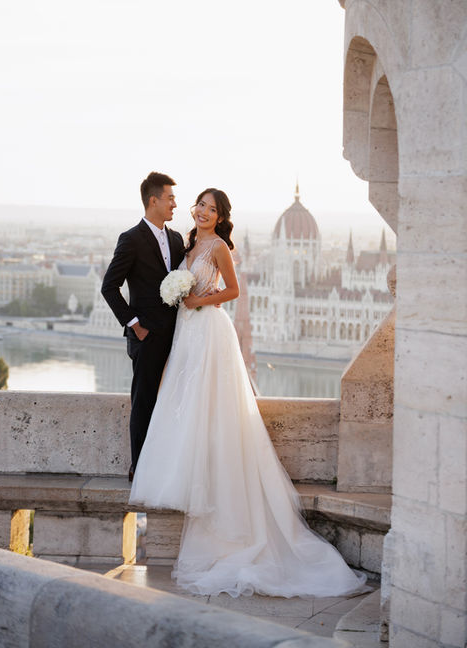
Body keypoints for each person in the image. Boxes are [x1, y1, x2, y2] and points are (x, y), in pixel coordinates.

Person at [129, 188, 367, 598]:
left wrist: (199, 299)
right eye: (200, 206)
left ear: (221, 216)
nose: (203, 212)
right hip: (189, 331)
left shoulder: (219, 247)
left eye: (212, 209)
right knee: (185, 400)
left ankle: (220, 496)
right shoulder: (186, 243)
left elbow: (234, 290)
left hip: (208, 326)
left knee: (212, 403)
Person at [101, 172, 185, 481]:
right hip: (146, 336)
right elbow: (109, 287)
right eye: (170, 198)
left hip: (178, 335)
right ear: (153, 201)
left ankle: (169, 465)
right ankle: (139, 467)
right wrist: (135, 325)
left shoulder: (177, 239)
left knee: (176, 400)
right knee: (144, 401)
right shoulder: (131, 239)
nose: (175, 204)